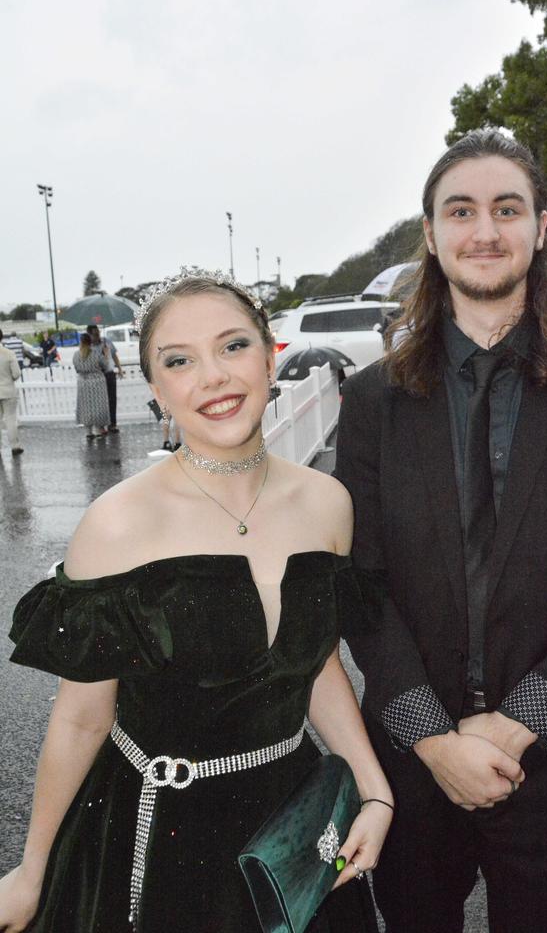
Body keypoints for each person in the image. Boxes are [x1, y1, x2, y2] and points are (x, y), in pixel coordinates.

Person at [0, 268, 393, 933]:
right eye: (179, 360)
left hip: (290, 826)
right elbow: (80, 721)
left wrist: (374, 789)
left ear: (271, 356)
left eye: (233, 346)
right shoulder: (118, 524)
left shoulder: (328, 503)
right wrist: (33, 871)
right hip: (162, 838)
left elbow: (312, 662)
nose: (213, 377)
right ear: (155, 388)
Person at [335, 130, 547, 933]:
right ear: (433, 234)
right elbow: (360, 585)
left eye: (506, 209)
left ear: (541, 228)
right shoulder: (374, 401)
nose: (484, 231)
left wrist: (517, 726)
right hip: (410, 762)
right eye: (461, 211)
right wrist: (435, 743)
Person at [87, 323, 125, 432]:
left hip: (109, 374)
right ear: (89, 335)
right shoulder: (89, 347)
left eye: (97, 333)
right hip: (97, 376)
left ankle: (112, 424)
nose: (96, 336)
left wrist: (120, 369)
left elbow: (114, 355)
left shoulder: (106, 341)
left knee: (112, 399)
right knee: (100, 402)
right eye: (94, 334)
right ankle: (101, 425)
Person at [72, 333, 110, 438]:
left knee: (86, 407)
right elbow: (105, 366)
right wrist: (106, 355)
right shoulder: (96, 353)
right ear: (90, 342)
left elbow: (76, 368)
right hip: (97, 382)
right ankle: (99, 429)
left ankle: (89, 432)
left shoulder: (76, 355)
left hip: (83, 383)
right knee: (98, 406)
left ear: (81, 342)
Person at [0, 329, 24, 456]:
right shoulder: (9, 353)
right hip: (8, 390)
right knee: (10, 419)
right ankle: (15, 446)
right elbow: (16, 374)